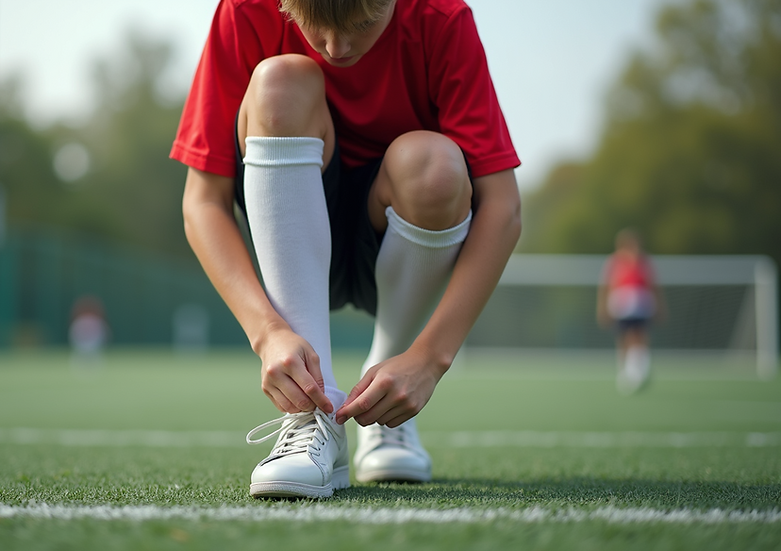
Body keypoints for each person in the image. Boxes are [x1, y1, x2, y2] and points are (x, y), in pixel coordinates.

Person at [172, 0, 521, 498]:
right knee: (281, 81)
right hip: (291, 251)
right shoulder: (245, 11)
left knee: (435, 164)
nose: (336, 48)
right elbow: (202, 203)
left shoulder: (441, 20)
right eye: (315, 25)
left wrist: (428, 358)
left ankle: (383, 399)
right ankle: (314, 413)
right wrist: (267, 332)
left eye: (360, 23)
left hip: (399, 255)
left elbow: (503, 208)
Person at [597, 229, 665, 394]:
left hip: (641, 305)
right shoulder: (614, 262)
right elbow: (605, 287)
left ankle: (639, 370)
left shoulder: (644, 262)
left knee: (639, 336)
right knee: (623, 338)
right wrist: (602, 308)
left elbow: (653, 286)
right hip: (621, 305)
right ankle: (625, 373)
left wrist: (660, 306)